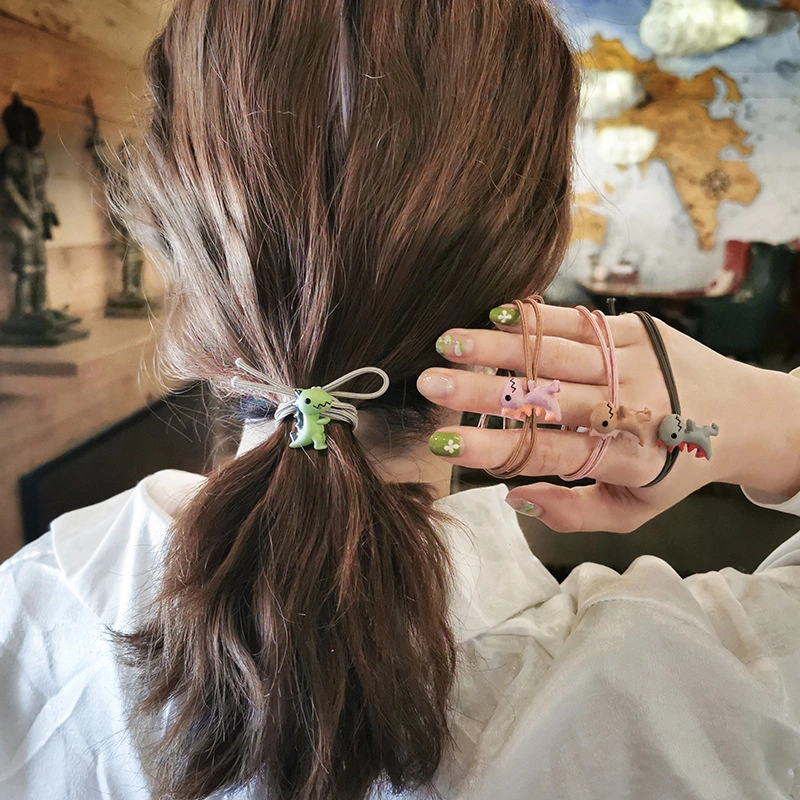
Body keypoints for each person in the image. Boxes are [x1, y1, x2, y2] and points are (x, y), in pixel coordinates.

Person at [1, 1, 799, 799]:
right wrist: (774, 420)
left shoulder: (33, 604)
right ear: (527, 283)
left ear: (184, 250)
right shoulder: (700, 689)